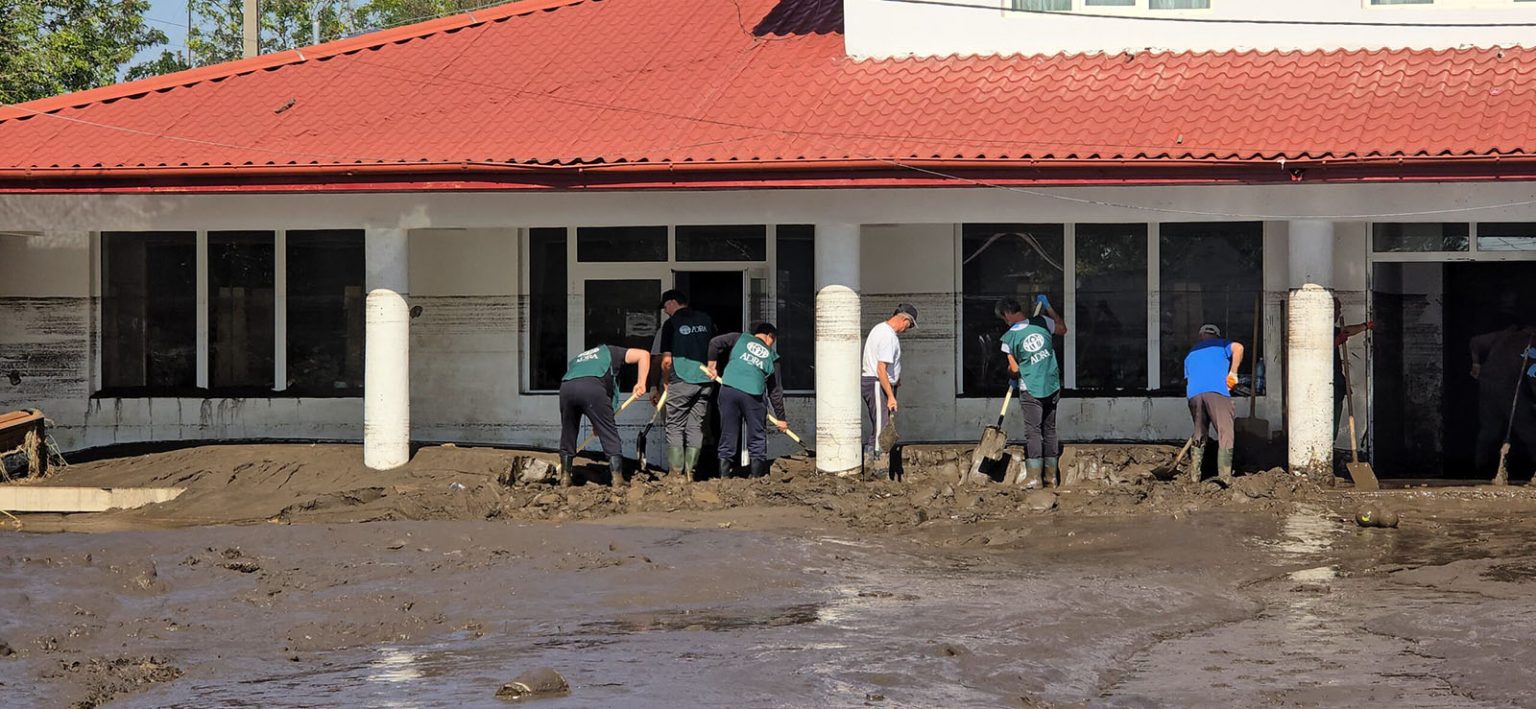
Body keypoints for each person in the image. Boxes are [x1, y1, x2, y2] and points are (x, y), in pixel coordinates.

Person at [996, 295, 1067, 489]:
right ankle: (1051, 478)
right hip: (1051, 384)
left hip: (1030, 389)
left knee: (1033, 432)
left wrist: (1010, 374)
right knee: (1050, 430)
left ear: (1007, 315)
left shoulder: (1009, 337)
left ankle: (1035, 478)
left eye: (1003, 318)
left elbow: (1015, 369)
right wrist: (1049, 307)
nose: (1005, 321)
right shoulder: (1043, 322)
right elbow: (1063, 328)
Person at [558, 344, 650, 487]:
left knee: (568, 431)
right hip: (593, 387)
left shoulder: (579, 359)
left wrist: (597, 422)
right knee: (609, 432)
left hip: (566, 387)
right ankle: (617, 479)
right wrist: (641, 382)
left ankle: (565, 477)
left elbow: (582, 385)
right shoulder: (613, 351)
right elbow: (643, 354)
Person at [707, 323, 789, 479]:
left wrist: (712, 366)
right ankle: (756, 477)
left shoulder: (739, 338)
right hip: (753, 396)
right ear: (769, 336)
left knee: (728, 433)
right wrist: (781, 418)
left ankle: (724, 478)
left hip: (729, 390)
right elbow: (775, 391)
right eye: (773, 340)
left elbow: (714, 343)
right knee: (757, 435)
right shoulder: (773, 357)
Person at [655, 289, 717, 481]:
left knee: (674, 425)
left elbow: (666, 360)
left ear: (673, 302)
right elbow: (716, 347)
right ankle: (691, 472)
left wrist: (665, 381)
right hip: (706, 381)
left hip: (681, 379)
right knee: (695, 426)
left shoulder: (671, 324)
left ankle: (676, 473)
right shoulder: (707, 320)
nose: (665, 311)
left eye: (665, 307)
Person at [1469, 316, 1536, 481]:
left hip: (1490, 386)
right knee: (1530, 433)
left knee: (1489, 432)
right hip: (1507, 390)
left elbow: (1475, 342)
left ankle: (1480, 471)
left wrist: (1476, 364)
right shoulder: (1528, 342)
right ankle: (1483, 471)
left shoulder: (1506, 335)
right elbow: (1533, 376)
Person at [1184, 324, 1245, 485]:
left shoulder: (1191, 353)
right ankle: (1224, 477)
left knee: (1199, 433)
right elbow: (1239, 348)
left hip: (1194, 395)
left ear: (1200, 335)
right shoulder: (1222, 344)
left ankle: (1194, 476)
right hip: (1217, 392)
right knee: (1225, 432)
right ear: (1217, 335)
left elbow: (1189, 377)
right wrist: (1233, 372)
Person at [862, 304, 917, 457]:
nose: (907, 329)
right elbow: (881, 368)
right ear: (905, 319)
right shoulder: (888, 336)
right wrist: (891, 397)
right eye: (910, 325)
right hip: (876, 383)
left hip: (879, 383)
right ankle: (878, 466)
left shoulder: (880, 329)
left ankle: (873, 459)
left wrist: (895, 379)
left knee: (881, 423)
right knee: (882, 426)